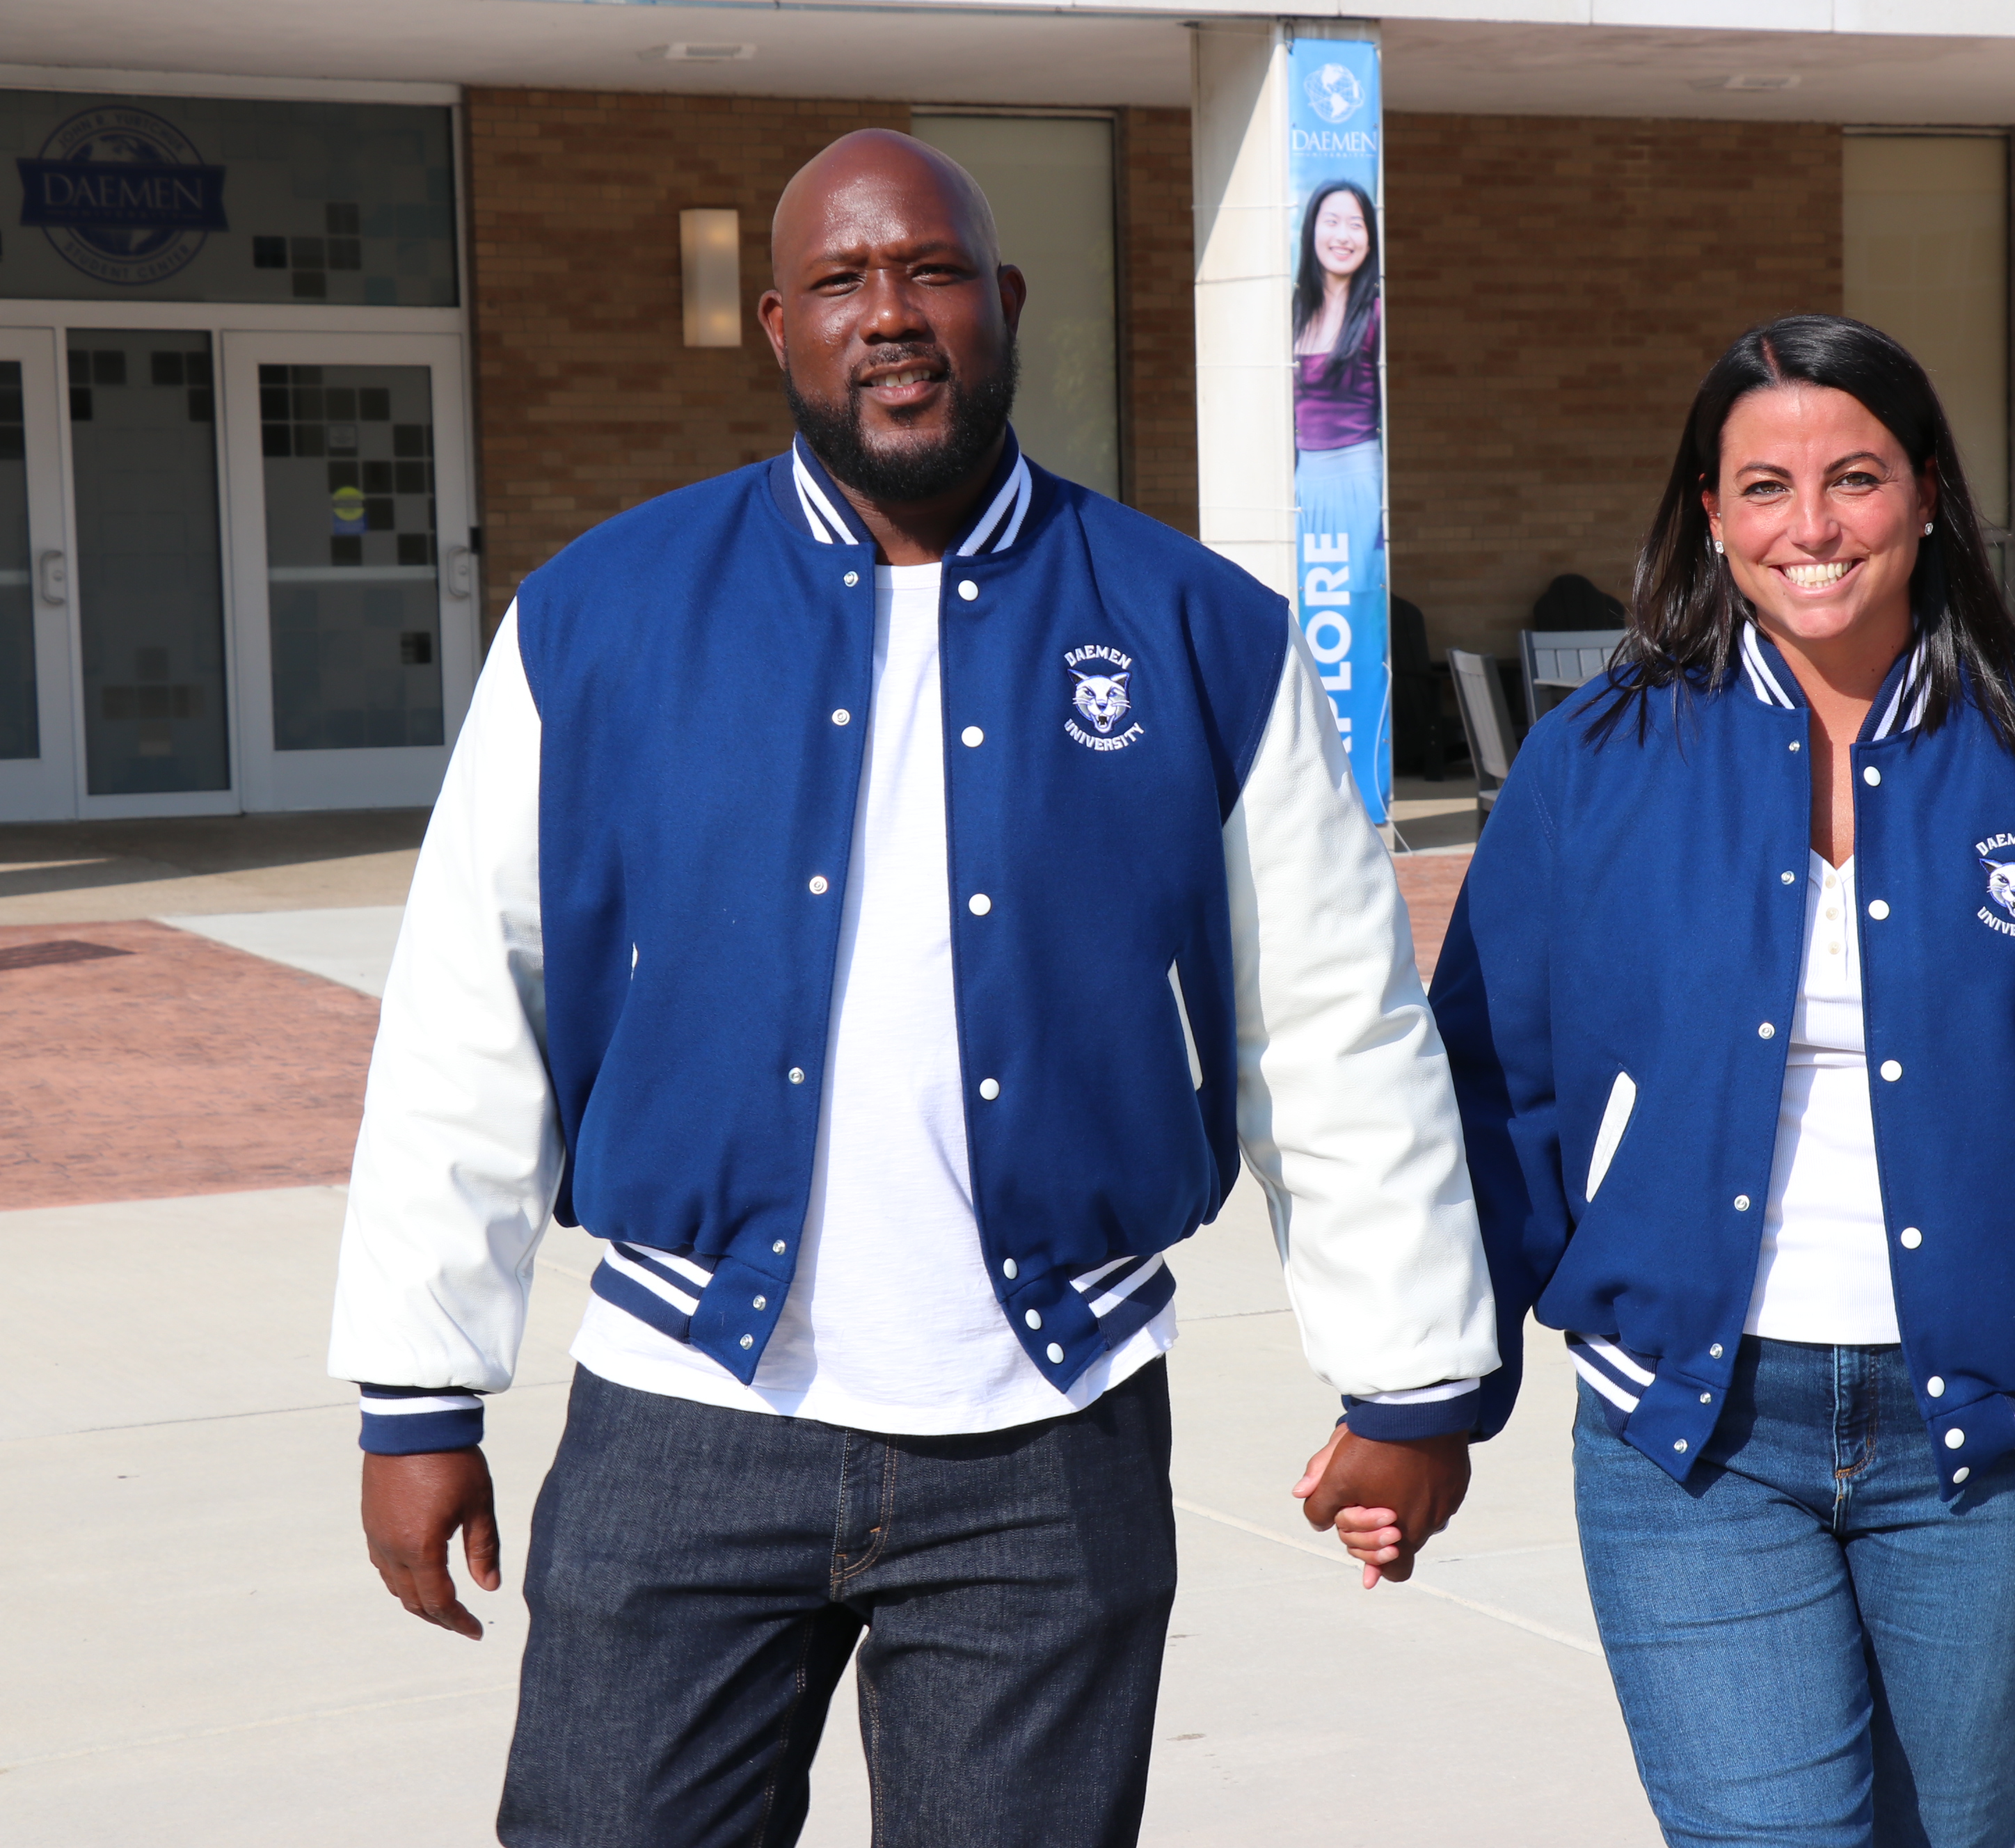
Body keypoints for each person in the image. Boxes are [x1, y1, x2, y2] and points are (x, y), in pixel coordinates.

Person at [330, 129, 1495, 1848]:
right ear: (779, 327)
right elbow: (463, 1017)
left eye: (933, 269)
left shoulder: (1197, 633)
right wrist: (418, 1391)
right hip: (684, 1407)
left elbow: (1332, 1025)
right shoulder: (599, 620)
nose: (894, 314)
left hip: (1050, 1428)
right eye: (844, 281)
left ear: (1004, 304)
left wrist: (1410, 1379)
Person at [1403, 315, 2015, 1848]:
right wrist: (1423, 1401)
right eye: (1763, 487)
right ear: (1710, 514)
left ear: (1931, 493)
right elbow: (1495, 1102)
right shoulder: (1591, 765)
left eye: (1855, 478)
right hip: (1687, 1429)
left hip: (1994, 1440)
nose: (1810, 528)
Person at [1292, 179, 1384, 600]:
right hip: (1304, 481)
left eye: (1356, 224)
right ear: (1312, 229)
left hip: (1358, 478)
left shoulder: (1378, 313)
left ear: (1370, 239)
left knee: (1354, 600)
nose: (1343, 235)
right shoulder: (1291, 311)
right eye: (1332, 221)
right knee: (1307, 598)